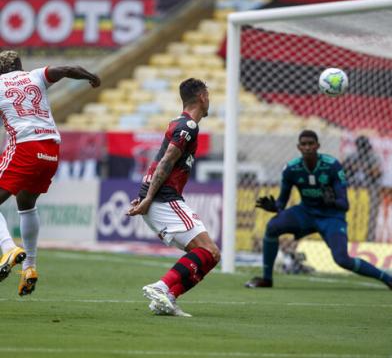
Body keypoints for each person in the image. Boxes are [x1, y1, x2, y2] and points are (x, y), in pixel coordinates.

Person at [0, 50, 100, 295]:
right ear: (20, 66)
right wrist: (90, 77)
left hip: (24, 146)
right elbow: (66, 69)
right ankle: (30, 267)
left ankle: (8, 249)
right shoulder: (35, 76)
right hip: (51, 148)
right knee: (26, 203)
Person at [245, 129, 392, 289]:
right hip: (306, 212)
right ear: (298, 147)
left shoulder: (332, 166)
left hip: (331, 217)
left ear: (318, 146)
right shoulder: (291, 169)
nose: (307, 147)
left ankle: (387, 278)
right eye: (304, 144)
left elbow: (345, 205)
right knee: (272, 226)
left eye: (310, 144)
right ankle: (267, 279)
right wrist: (274, 207)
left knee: (342, 259)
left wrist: (332, 201)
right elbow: (282, 202)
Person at [127, 78, 220, 317]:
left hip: (159, 199)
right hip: (163, 199)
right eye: (208, 95)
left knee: (211, 255)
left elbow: (162, 160)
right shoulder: (188, 126)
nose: (209, 100)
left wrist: (146, 195)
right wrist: (148, 198)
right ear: (202, 97)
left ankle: (167, 298)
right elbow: (166, 161)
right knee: (208, 251)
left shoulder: (180, 123)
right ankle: (162, 287)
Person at [342, 135, 382, 240]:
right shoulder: (353, 156)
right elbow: (343, 169)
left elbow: (377, 172)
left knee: (370, 214)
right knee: (349, 212)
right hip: (353, 188)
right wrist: (351, 167)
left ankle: (369, 238)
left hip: (369, 189)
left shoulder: (373, 156)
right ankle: (349, 235)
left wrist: (363, 167)